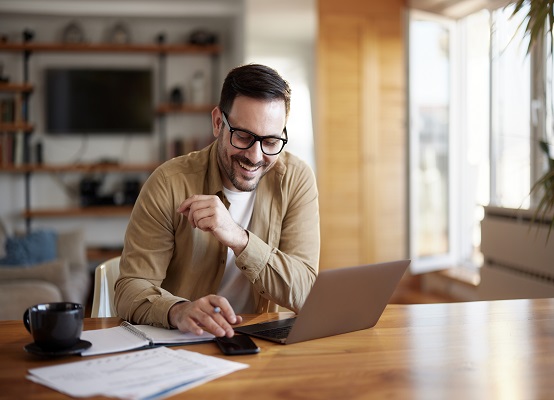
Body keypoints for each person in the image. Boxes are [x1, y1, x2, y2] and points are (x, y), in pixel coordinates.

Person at [114, 64, 320, 338]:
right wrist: (178, 310)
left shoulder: (296, 180)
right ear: (217, 123)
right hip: (185, 341)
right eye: (244, 136)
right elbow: (130, 289)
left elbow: (306, 292)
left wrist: (240, 239)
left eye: (270, 142)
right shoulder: (168, 183)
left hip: (263, 342)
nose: (256, 157)